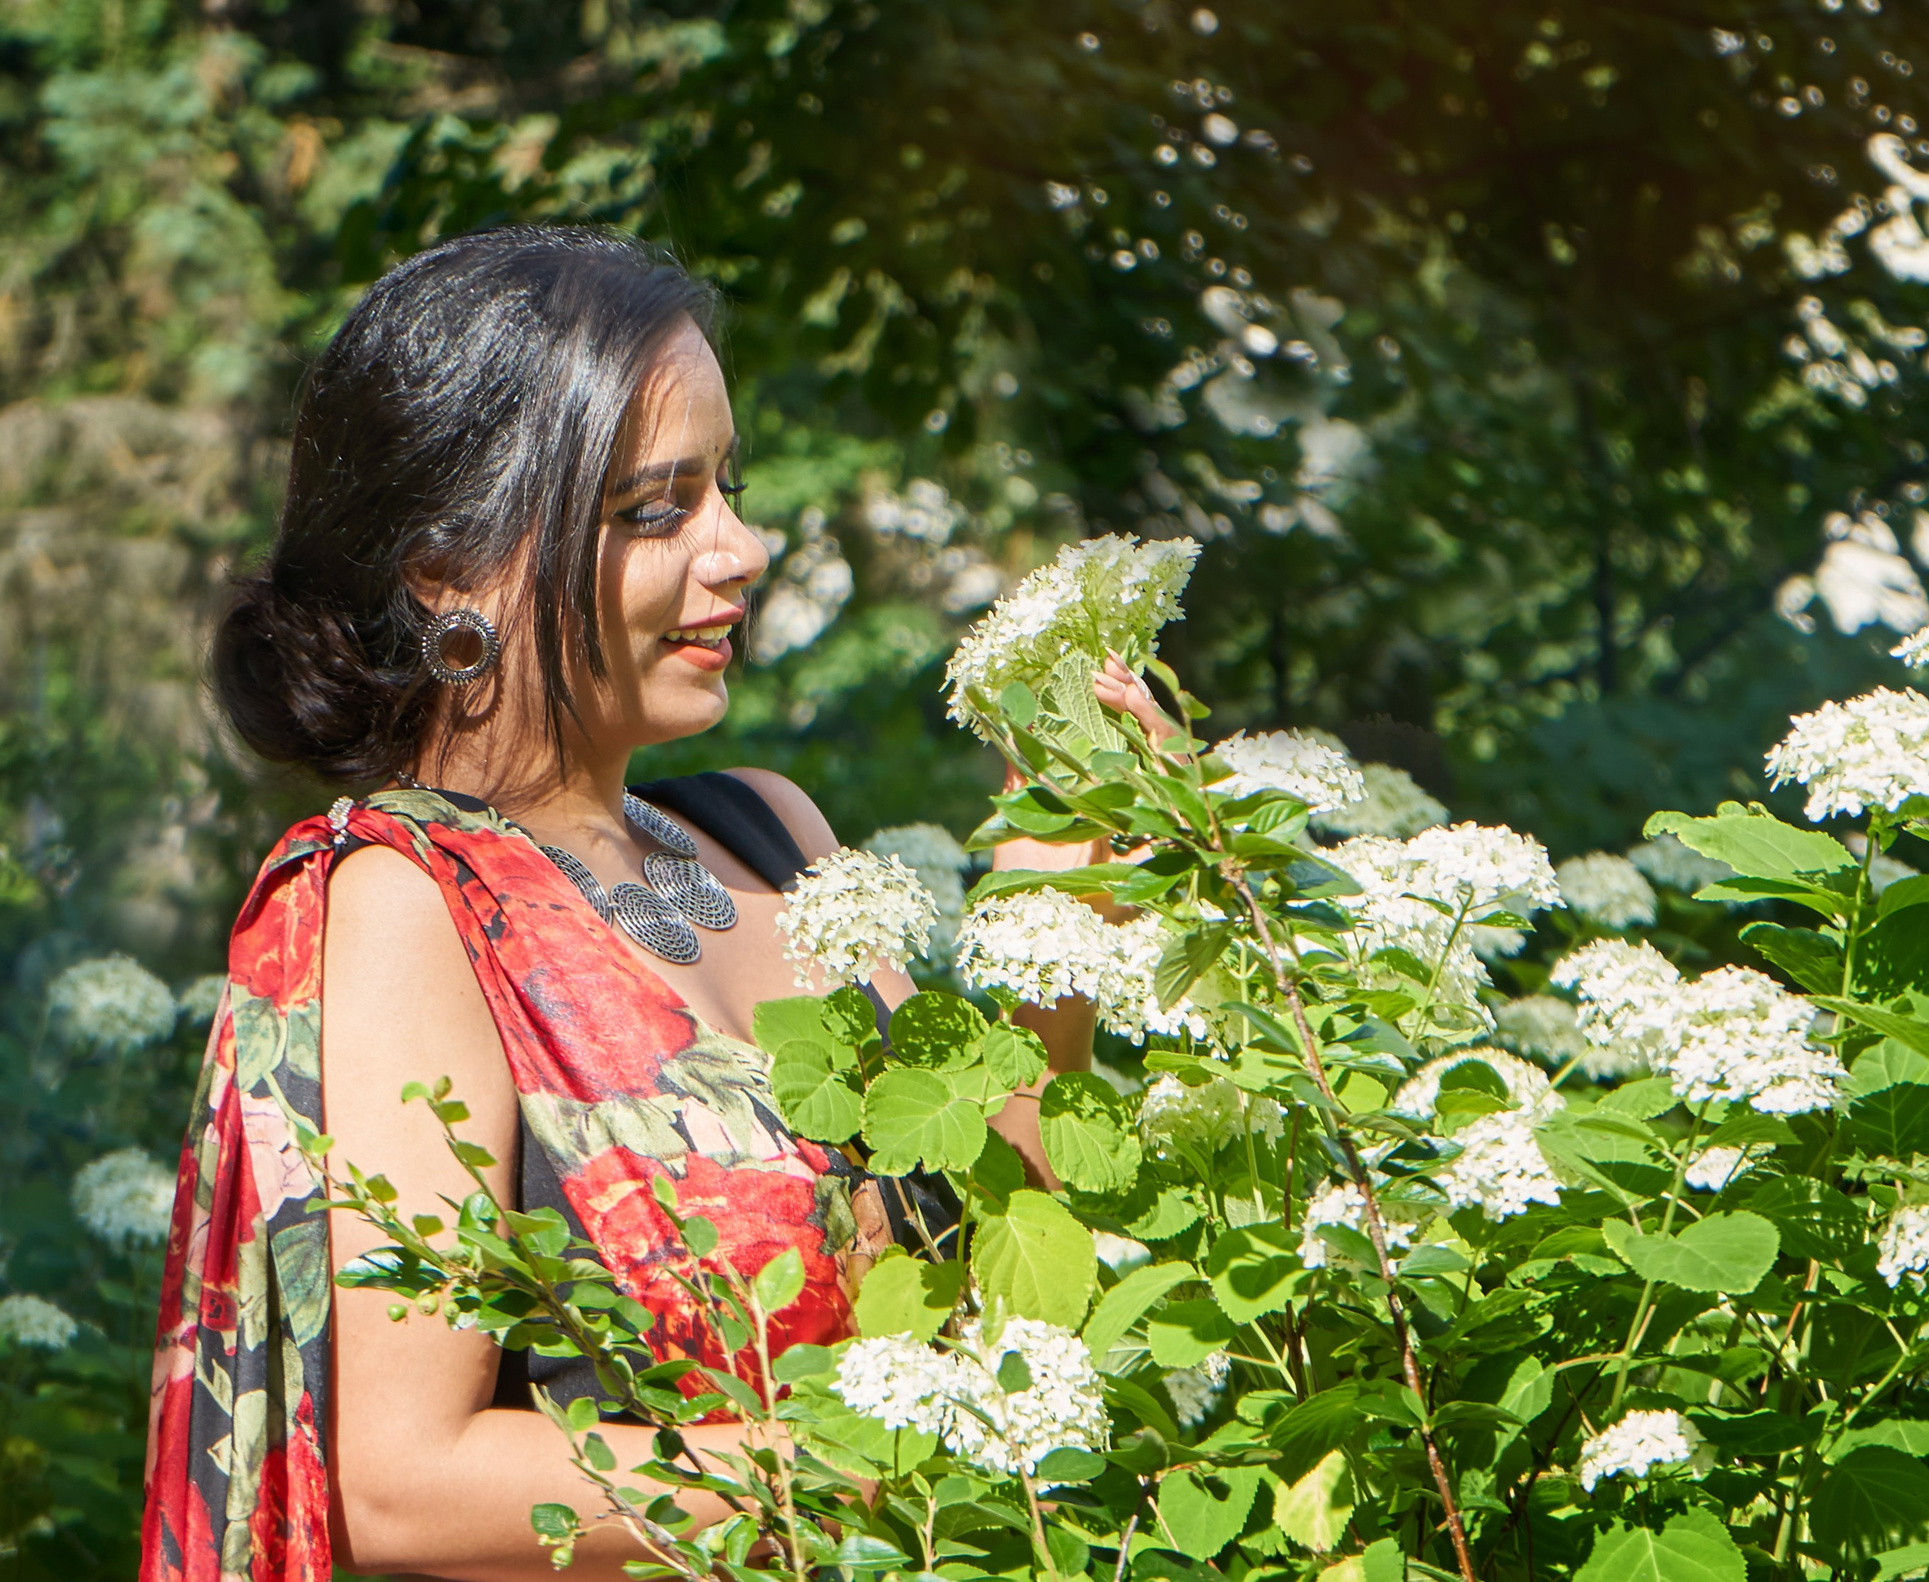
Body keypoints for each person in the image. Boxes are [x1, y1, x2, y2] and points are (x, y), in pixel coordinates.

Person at [137, 224, 1164, 1582]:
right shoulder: (402, 905)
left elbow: (1008, 1292)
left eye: (727, 488)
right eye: (655, 510)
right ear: (451, 572)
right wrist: (881, 1451)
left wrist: (1062, 908)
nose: (743, 549)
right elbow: (405, 1479)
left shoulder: (769, 832)